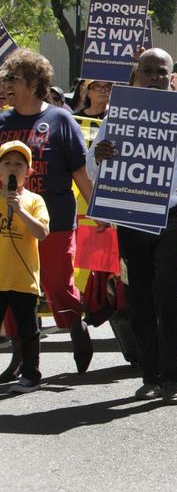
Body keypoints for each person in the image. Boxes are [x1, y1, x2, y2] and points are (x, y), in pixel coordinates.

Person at [89, 48, 177, 404]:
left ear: (172, 76)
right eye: (147, 71)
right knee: (140, 296)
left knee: (169, 293)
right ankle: (150, 373)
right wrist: (99, 156)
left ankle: (173, 376)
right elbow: (94, 163)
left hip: (172, 216)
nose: (154, 77)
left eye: (161, 72)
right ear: (138, 74)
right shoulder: (118, 114)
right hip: (132, 217)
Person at [0, 50, 95, 378]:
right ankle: (20, 356)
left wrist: (99, 216)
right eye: (7, 78)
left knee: (56, 283)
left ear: (35, 83)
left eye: (14, 78)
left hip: (53, 220)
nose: (8, 84)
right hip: (9, 224)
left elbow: (81, 173)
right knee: (12, 288)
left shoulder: (60, 120)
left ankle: (75, 328)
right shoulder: (2, 122)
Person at [0, 140, 50, 394]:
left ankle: (31, 375)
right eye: (6, 163)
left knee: (29, 330)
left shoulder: (34, 201)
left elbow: (42, 233)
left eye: (19, 164)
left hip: (23, 278)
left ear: (28, 171)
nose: (12, 168)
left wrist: (19, 211)